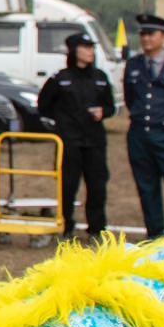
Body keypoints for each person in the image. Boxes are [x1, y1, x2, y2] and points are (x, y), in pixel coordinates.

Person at [36, 31, 114, 239]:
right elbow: (43, 105)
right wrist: (61, 122)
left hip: (94, 141)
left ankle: (96, 228)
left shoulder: (100, 78)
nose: (90, 52)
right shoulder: (60, 79)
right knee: (68, 185)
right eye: (85, 47)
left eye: (91, 48)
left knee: (97, 186)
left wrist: (103, 112)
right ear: (74, 51)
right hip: (69, 142)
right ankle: (66, 225)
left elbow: (110, 106)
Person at [122, 13, 164, 240]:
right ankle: (155, 237)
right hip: (140, 134)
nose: (146, 39)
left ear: (163, 36)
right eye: (142, 34)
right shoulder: (133, 64)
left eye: (151, 34)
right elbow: (130, 98)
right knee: (147, 188)